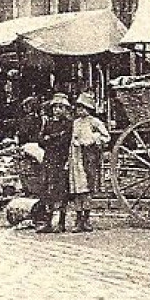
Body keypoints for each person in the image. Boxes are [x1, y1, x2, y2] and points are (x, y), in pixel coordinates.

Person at [67, 93, 111, 233]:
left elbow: (106, 136)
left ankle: (86, 219)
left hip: (89, 156)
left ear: (89, 109)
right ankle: (78, 219)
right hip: (76, 156)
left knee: (87, 189)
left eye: (83, 108)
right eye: (78, 108)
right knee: (77, 190)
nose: (80, 111)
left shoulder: (94, 122)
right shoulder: (75, 123)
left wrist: (93, 138)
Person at [36, 94, 74, 233]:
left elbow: (64, 141)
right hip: (49, 158)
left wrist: (50, 138)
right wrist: (49, 139)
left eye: (60, 107)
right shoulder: (49, 123)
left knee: (61, 190)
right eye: (55, 107)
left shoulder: (68, 124)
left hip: (61, 159)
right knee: (47, 189)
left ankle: (61, 222)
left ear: (66, 109)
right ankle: (47, 221)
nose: (57, 110)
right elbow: (40, 140)